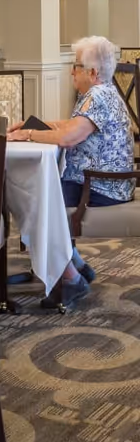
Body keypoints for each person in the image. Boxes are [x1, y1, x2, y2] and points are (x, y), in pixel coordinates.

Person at [7, 35, 133, 306]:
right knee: (37, 191)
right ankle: (72, 261)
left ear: (92, 72)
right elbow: (73, 125)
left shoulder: (97, 96)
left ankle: (70, 278)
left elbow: (68, 138)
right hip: (104, 182)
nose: (71, 71)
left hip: (101, 186)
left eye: (75, 66)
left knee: (34, 199)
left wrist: (27, 133)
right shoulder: (102, 92)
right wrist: (40, 127)